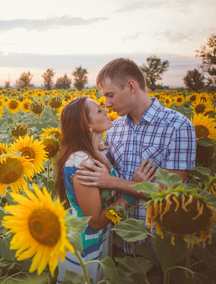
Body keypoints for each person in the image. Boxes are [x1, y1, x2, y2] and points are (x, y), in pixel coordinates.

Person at [76, 57, 197, 254]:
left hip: (157, 243)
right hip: (116, 241)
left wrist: (112, 182)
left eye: (110, 95)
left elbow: (170, 191)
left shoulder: (178, 127)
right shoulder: (114, 130)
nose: (106, 104)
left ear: (131, 86)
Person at [54, 96, 156, 283]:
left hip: (99, 239)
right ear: (88, 126)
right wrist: (133, 188)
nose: (107, 110)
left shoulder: (98, 152)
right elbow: (96, 221)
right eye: (99, 110)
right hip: (84, 242)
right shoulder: (81, 162)